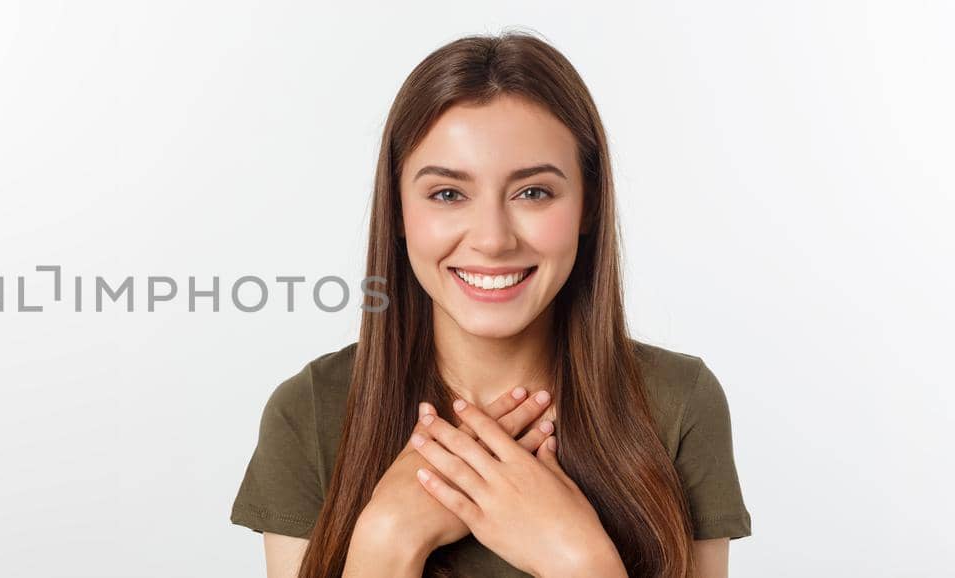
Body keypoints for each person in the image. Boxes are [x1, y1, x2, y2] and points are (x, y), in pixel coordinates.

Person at [229, 31, 751, 577]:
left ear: (588, 206)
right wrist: (383, 543)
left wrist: (580, 561)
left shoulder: (677, 403)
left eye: (533, 192)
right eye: (448, 194)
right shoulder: (312, 413)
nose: (493, 239)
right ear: (399, 212)